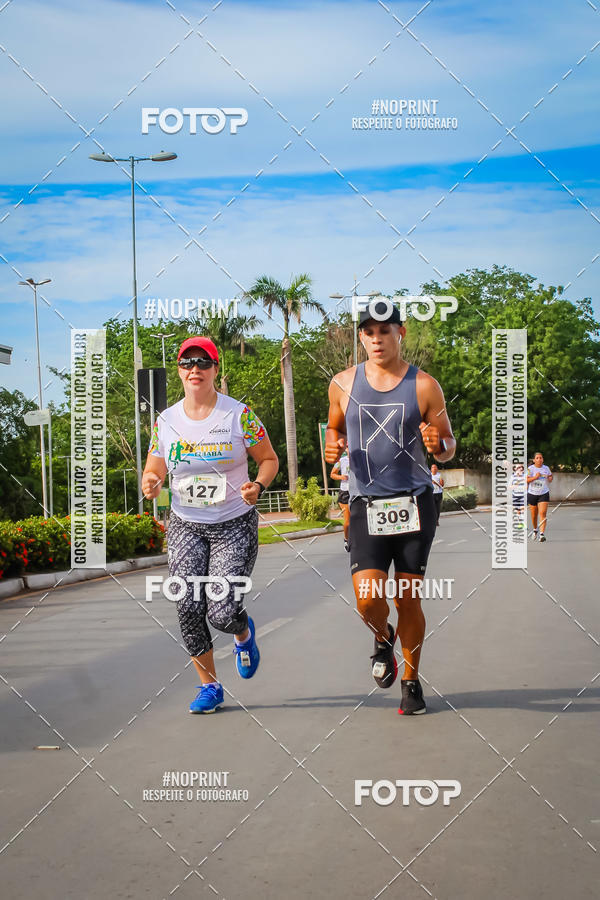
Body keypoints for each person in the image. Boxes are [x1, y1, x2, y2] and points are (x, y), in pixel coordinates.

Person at [325, 301, 455, 715]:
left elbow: (449, 444)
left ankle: (412, 681)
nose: (377, 339)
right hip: (365, 503)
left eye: (385, 331)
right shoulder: (342, 384)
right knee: (367, 598)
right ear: (360, 337)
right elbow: (335, 428)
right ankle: (383, 639)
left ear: (401, 333)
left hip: (416, 503)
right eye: (369, 332)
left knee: (407, 598)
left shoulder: (424, 386)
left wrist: (440, 445)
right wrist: (332, 441)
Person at [142, 337, 279, 714]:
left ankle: (242, 633)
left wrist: (258, 485)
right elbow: (155, 465)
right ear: (180, 371)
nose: (195, 370)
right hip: (186, 524)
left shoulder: (239, 415)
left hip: (233, 523)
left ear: (216, 369)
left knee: (220, 611)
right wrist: (150, 481)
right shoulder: (166, 421)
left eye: (203, 363)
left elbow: (268, 459)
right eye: (187, 364)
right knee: (187, 604)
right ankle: (210, 687)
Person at [527, 452, 553, 542]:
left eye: (541, 457)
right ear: (534, 460)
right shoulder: (530, 469)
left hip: (543, 493)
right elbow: (526, 480)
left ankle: (542, 534)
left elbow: (550, 477)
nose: (539, 459)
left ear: (543, 459)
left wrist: (549, 478)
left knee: (542, 513)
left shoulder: (546, 468)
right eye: (537, 458)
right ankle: (535, 530)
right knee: (534, 516)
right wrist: (535, 477)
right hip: (532, 494)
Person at [330, 451, 350, 551]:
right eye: (347, 446)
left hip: (358, 492)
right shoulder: (341, 461)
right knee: (347, 521)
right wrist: (341, 477)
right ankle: (346, 539)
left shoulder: (360, 459)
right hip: (345, 492)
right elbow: (332, 474)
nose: (349, 448)